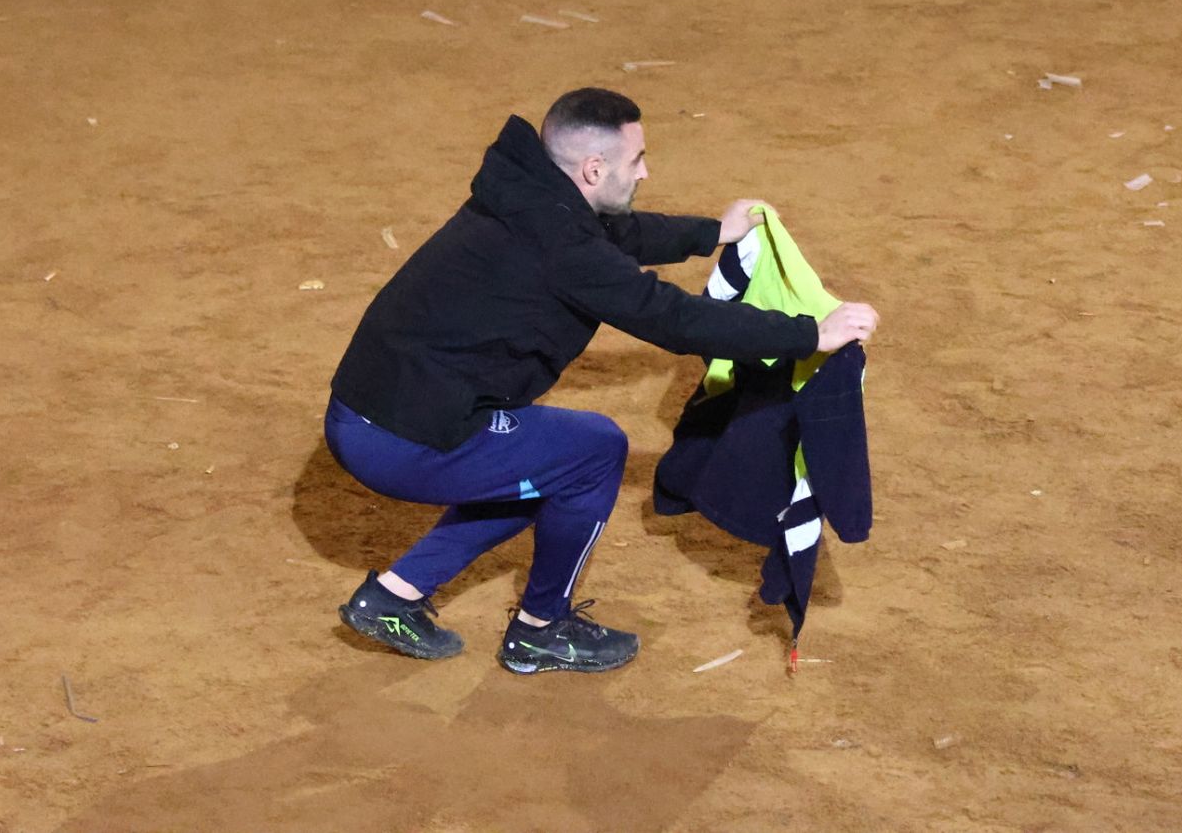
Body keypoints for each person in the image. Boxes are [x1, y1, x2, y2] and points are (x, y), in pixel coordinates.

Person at [324, 88, 880, 675]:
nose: (646, 170)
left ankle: (394, 596)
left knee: (539, 466)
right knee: (592, 450)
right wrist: (807, 335)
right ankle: (542, 629)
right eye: (636, 160)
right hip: (399, 437)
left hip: (379, 408)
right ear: (593, 168)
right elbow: (669, 316)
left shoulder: (528, 194)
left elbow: (615, 235)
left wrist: (709, 231)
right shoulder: (561, 245)